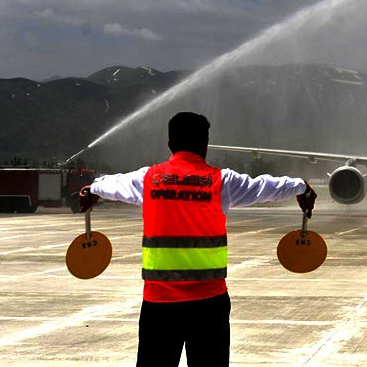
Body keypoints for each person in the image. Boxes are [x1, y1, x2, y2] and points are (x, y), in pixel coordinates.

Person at [79, 112, 316, 366]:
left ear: (170, 144)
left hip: (159, 304)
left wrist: (93, 189)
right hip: (209, 304)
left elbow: (114, 184)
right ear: (205, 144)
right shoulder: (222, 182)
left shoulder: (148, 179)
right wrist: (301, 186)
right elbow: (265, 187)